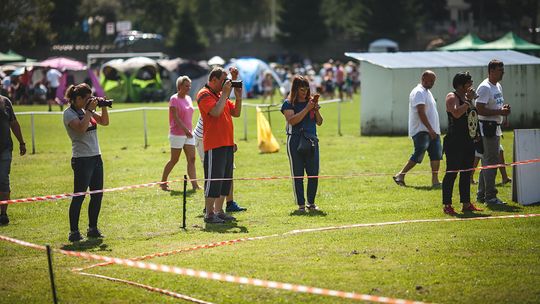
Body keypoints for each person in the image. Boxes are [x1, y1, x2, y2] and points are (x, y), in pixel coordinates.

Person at [63, 83, 109, 242]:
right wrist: (90, 111)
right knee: (79, 196)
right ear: (78, 99)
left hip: (96, 157)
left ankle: (93, 228)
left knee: (97, 195)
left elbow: (104, 122)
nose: (91, 100)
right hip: (82, 159)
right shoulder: (69, 114)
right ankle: (74, 232)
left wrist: (102, 106)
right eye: (87, 98)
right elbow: (81, 128)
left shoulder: (86, 110)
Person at [197, 67, 242, 224]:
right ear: (214, 80)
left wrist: (238, 96)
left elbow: (236, 113)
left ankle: (219, 211)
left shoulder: (219, 95)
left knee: (225, 180)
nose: (226, 84)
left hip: (227, 143)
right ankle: (209, 214)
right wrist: (225, 93)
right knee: (213, 180)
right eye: (223, 80)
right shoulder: (204, 94)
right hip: (214, 144)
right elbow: (215, 112)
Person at [441, 72, 483, 215]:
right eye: (469, 82)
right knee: (452, 173)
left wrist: (476, 135)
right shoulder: (451, 97)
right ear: (460, 84)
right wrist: (467, 101)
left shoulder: (468, 98)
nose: (471, 85)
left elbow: (472, 118)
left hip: (468, 141)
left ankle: (466, 203)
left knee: (466, 173)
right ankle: (447, 204)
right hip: (454, 141)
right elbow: (456, 113)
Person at [281, 75, 323, 212]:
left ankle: (311, 203)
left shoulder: (310, 102)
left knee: (313, 174)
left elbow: (320, 122)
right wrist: (306, 109)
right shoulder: (288, 104)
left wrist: (315, 110)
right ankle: (300, 205)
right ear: (295, 89)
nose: (304, 92)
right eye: (301, 89)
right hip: (295, 140)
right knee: (298, 175)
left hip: (311, 141)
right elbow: (292, 120)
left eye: (306, 89)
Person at [393, 70, 442, 187]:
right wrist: (430, 129)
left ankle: (435, 181)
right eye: (430, 80)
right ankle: (400, 175)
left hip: (432, 130)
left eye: (433, 81)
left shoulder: (427, 92)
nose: (432, 83)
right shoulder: (418, 92)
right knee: (419, 153)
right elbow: (421, 112)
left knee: (436, 155)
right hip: (422, 130)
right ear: (423, 78)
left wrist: (433, 129)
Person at [475, 60, 511, 205]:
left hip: (494, 127)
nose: (503, 72)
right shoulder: (484, 87)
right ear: (491, 71)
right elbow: (479, 109)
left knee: (488, 161)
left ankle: (481, 195)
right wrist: (499, 112)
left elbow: (497, 105)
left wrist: (504, 113)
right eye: (500, 70)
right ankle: (490, 196)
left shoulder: (497, 85)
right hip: (487, 129)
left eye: (503, 69)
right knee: (491, 162)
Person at [193, 116, 246, 212]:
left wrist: (229, 141)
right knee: (213, 173)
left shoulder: (225, 101)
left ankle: (230, 203)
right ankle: (209, 207)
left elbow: (224, 122)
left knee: (228, 170)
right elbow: (213, 123)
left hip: (220, 138)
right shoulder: (214, 102)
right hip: (204, 138)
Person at [160, 76, 201, 191]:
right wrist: (186, 130)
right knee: (174, 160)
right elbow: (176, 118)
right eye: (186, 86)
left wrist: (189, 131)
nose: (188, 88)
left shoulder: (188, 98)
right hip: (177, 134)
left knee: (192, 159)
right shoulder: (174, 99)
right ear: (179, 87)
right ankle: (163, 182)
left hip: (189, 134)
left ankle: (195, 185)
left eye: (189, 86)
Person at [0, 95, 26, 225]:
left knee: (3, 179)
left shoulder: (5, 102)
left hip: (5, 148)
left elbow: (13, 123)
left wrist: (21, 142)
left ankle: (3, 214)